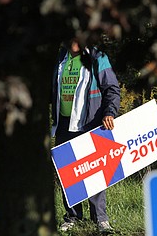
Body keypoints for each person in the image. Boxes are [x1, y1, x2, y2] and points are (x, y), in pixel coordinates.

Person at [51, 38, 120, 233]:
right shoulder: (60, 57)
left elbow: (112, 89)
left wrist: (109, 112)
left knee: (94, 171)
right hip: (64, 123)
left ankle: (101, 219)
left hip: (89, 122)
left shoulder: (98, 57)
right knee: (67, 173)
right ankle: (73, 216)